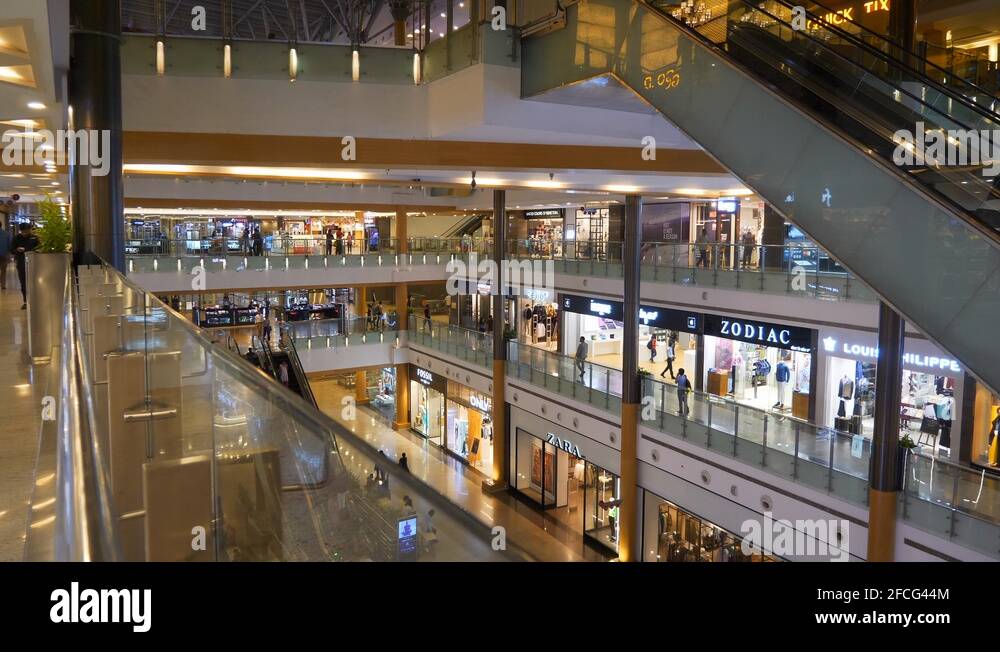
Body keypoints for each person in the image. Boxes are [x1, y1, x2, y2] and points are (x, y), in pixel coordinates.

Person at [11, 222, 39, 309]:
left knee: (35, 282)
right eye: (23, 231)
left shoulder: (35, 238)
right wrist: (17, 250)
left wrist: (26, 249)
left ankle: (36, 300)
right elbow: (11, 249)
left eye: (27, 231)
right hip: (21, 263)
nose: (25, 233)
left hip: (35, 262)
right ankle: (26, 302)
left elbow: (39, 248)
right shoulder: (16, 238)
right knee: (23, 282)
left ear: (30, 229)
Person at [0, 221, 11, 290]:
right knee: (3, 271)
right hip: (4, 255)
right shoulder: (6, 234)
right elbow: (9, 245)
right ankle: (3, 285)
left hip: (4, 254)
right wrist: (9, 255)